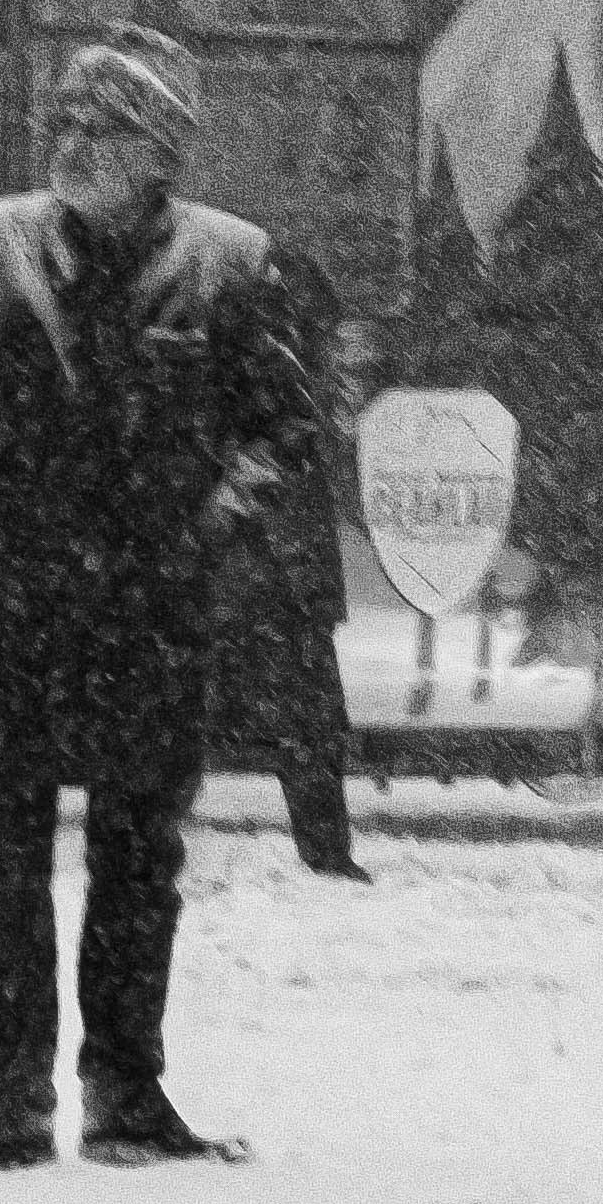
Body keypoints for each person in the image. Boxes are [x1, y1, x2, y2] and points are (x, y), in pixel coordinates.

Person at [0, 29, 326, 1167]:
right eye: (66, 121)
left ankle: (126, 1095)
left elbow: (283, 433)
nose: (74, 142)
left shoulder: (230, 263)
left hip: (152, 618)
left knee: (139, 862)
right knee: (0, 863)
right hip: (9, 610)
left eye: (106, 127)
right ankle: (9, 1100)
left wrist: (206, 530)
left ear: (162, 151)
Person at [207, 250, 367, 881]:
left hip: (251, 567)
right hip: (280, 567)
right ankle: (327, 851)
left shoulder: (241, 355)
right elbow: (297, 440)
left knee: (189, 712)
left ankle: (325, 850)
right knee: (308, 721)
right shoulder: (293, 367)